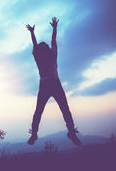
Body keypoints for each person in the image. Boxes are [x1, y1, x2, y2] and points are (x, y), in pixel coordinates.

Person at [26, 17, 81, 146]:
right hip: (54, 83)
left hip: (45, 84)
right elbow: (53, 41)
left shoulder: (39, 57)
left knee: (39, 111)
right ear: (46, 49)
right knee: (64, 109)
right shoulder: (51, 55)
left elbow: (36, 44)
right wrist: (54, 28)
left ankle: (34, 134)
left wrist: (32, 33)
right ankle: (71, 132)